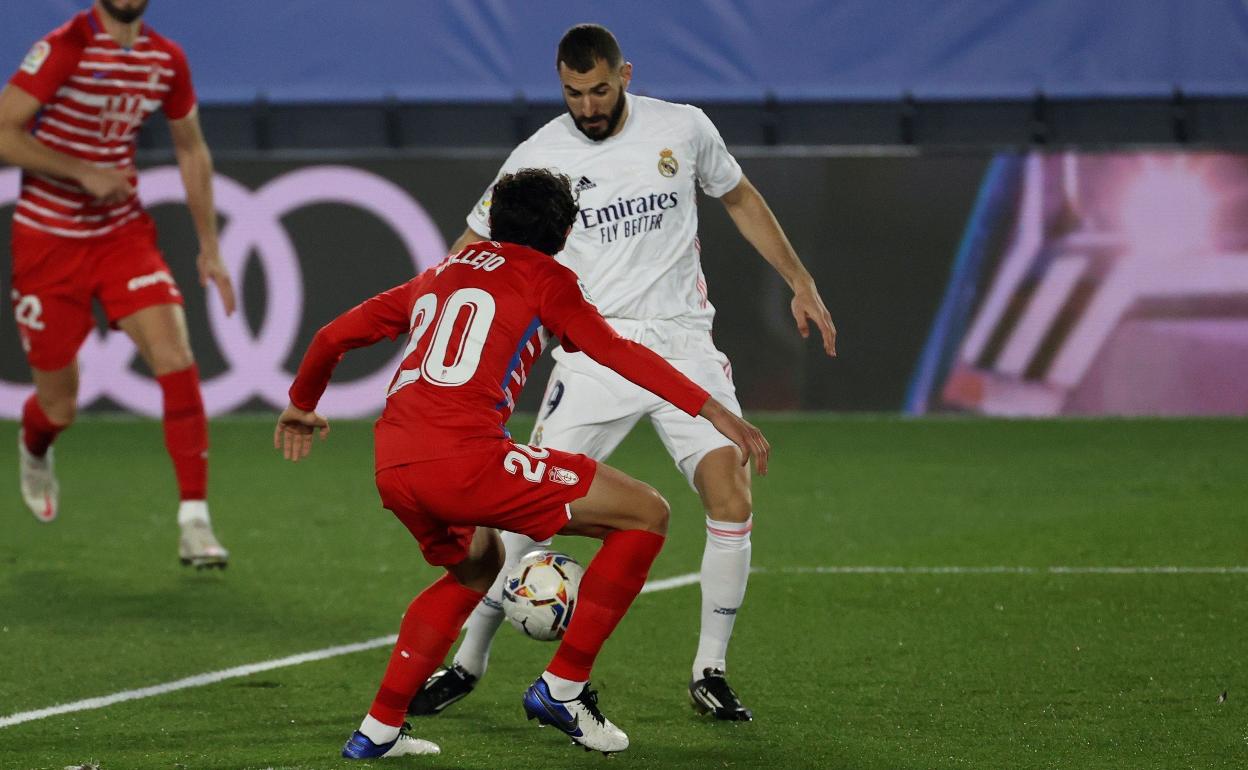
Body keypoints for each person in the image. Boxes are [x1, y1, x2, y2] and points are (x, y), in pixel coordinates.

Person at [411, 23, 836, 721]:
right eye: (574, 93)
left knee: (729, 490)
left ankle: (710, 670)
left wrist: (800, 280)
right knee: (521, 521)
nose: (588, 105)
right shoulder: (538, 154)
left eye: (600, 89)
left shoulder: (684, 128)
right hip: (592, 352)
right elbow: (474, 244)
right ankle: (467, 662)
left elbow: (738, 196)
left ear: (625, 75)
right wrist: (430, 311)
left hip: (681, 342)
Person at [275, 168, 769, 758]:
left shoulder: (440, 274)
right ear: (564, 234)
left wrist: (302, 407)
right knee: (644, 513)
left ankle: (378, 730)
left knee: (474, 568)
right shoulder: (547, 277)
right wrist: (711, 408)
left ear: (495, 222)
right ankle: (564, 687)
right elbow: (614, 351)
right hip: (466, 460)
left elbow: (332, 336)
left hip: (395, 464)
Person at [0, 0, 234, 567]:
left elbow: (190, 146)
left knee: (176, 357)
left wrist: (210, 245)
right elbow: (4, 132)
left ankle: (195, 521)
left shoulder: (164, 59)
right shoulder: (65, 48)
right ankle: (35, 449)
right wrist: (81, 170)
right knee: (59, 407)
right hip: (48, 243)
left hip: (120, 234)